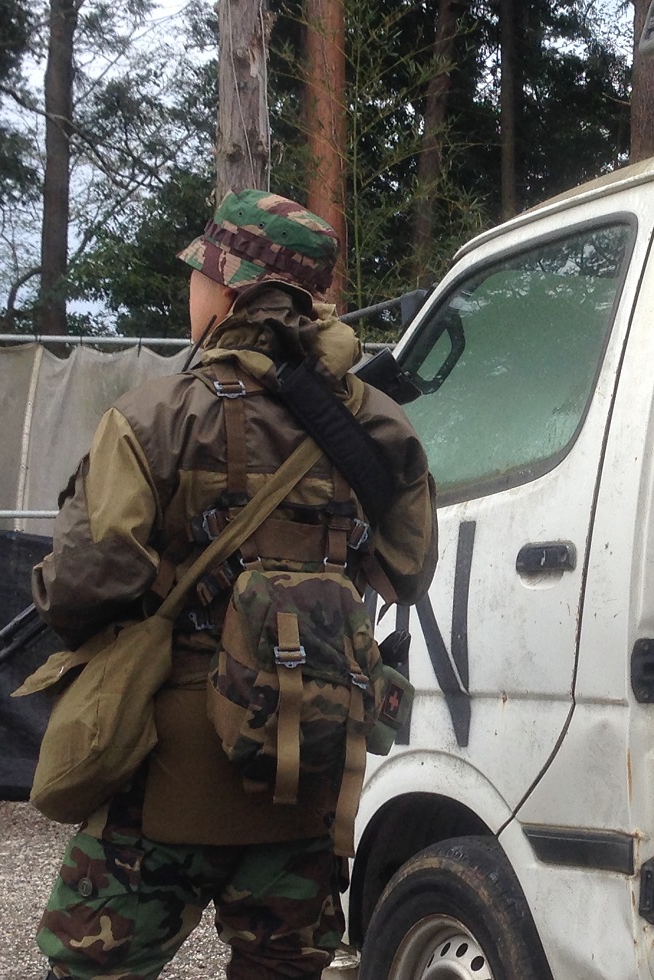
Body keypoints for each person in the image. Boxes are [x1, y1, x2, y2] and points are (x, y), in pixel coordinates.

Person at [30, 189, 438, 980]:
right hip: (310, 768)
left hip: (168, 772)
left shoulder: (156, 415)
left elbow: (84, 582)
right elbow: (407, 570)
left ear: (230, 291)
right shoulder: (379, 425)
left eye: (200, 276)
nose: (192, 291)